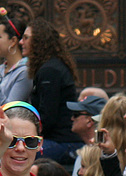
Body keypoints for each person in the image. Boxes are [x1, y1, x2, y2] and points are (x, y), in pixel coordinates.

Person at [20, 18, 82, 163]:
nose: (21, 42)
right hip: (57, 140)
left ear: (39, 42)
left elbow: (47, 118)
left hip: (63, 143)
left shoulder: (50, 71)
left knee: (14, 154)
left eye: (26, 38)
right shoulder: (48, 68)